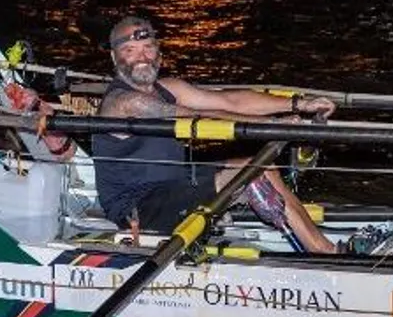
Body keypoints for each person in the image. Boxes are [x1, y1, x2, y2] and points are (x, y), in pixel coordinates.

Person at [90, 15, 338, 254]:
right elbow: (199, 118)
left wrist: (298, 104)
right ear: (114, 57)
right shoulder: (123, 102)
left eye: (147, 47)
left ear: (159, 53)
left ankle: (317, 242)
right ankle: (324, 251)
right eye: (130, 50)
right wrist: (274, 124)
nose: (141, 57)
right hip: (139, 210)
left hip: (173, 187)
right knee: (255, 169)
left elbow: (230, 101)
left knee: (263, 165)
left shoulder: (167, 88)